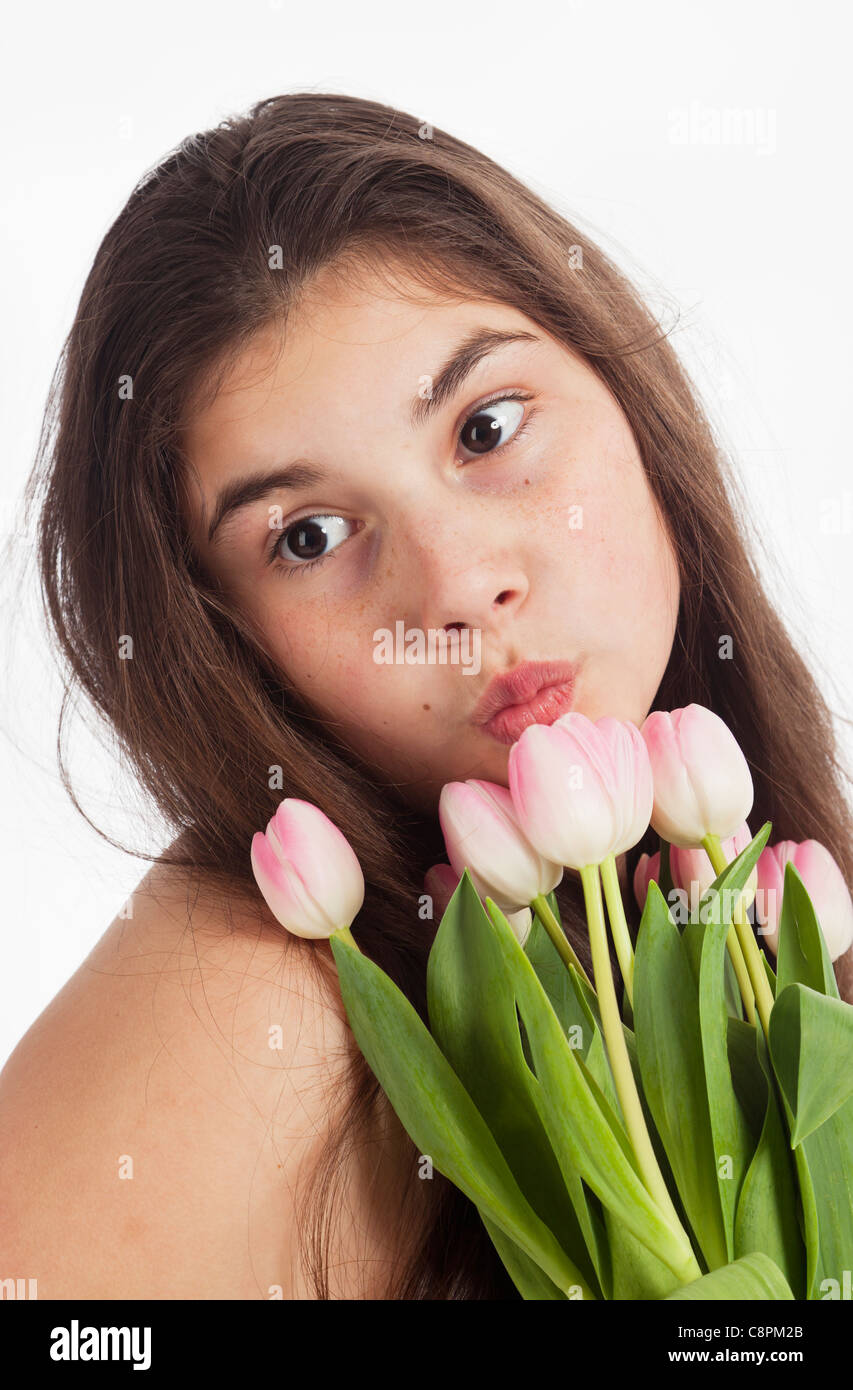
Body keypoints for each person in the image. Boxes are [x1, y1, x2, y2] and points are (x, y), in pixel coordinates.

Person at [1, 91, 851, 1300]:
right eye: (307, 536)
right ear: (217, 637)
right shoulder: (258, 1005)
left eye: (487, 427)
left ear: (629, 398)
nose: (458, 590)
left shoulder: (768, 917)